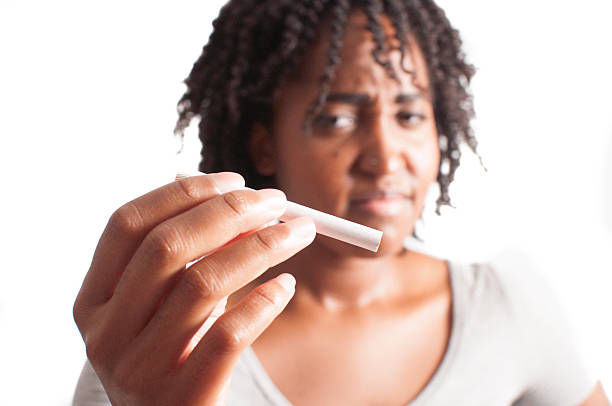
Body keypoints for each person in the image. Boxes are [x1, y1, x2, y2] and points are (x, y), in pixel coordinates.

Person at [72, 0, 610, 405]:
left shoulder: (507, 306)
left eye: (409, 116)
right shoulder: (167, 339)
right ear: (264, 143)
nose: (384, 157)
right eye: (338, 119)